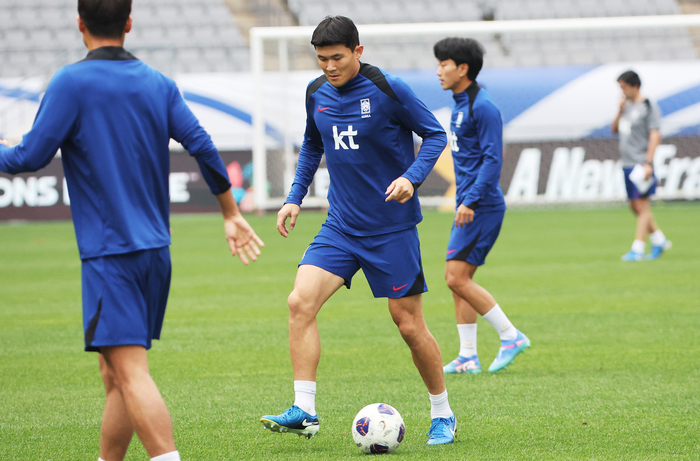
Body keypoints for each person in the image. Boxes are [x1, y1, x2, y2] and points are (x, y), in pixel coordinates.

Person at [0, 1, 264, 460]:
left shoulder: (70, 82)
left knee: (130, 372)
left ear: (80, 24)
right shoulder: (158, 83)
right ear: (128, 23)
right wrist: (229, 211)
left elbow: (29, 157)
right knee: (115, 374)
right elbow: (202, 144)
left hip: (111, 254)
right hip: (155, 254)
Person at [260, 16, 456, 445]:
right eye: (322, 59)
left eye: (337, 57)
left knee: (408, 325)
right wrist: (294, 197)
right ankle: (305, 410)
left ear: (358, 52)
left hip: (391, 229)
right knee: (299, 302)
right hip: (341, 227)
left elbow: (434, 135)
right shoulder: (316, 92)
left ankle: (443, 413)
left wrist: (412, 177)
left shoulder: (388, 88)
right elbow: (313, 144)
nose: (329, 66)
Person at [434, 38, 530, 375]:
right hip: (469, 203)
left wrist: (471, 200)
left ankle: (510, 335)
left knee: (455, 278)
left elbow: (493, 160)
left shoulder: (483, 106)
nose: (438, 71)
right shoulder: (462, 102)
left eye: (443, 64)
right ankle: (468, 356)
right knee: (459, 279)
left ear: (462, 68)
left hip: (481, 206)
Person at [612, 70, 671, 261]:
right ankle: (659, 240)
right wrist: (619, 110)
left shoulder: (648, 106)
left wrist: (648, 162)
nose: (622, 91)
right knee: (634, 206)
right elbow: (614, 129)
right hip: (627, 162)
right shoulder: (626, 106)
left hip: (641, 164)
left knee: (642, 206)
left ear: (635, 86)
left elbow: (655, 135)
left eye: (624, 87)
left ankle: (637, 249)